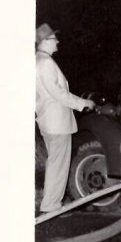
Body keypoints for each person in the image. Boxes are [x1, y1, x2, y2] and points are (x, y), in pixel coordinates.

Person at [35, 24, 95, 213]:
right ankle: (51, 205)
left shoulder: (38, 61)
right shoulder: (46, 63)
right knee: (58, 164)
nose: (58, 42)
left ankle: (51, 203)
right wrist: (82, 103)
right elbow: (58, 94)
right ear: (45, 41)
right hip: (56, 123)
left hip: (47, 120)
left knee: (55, 163)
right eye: (54, 39)